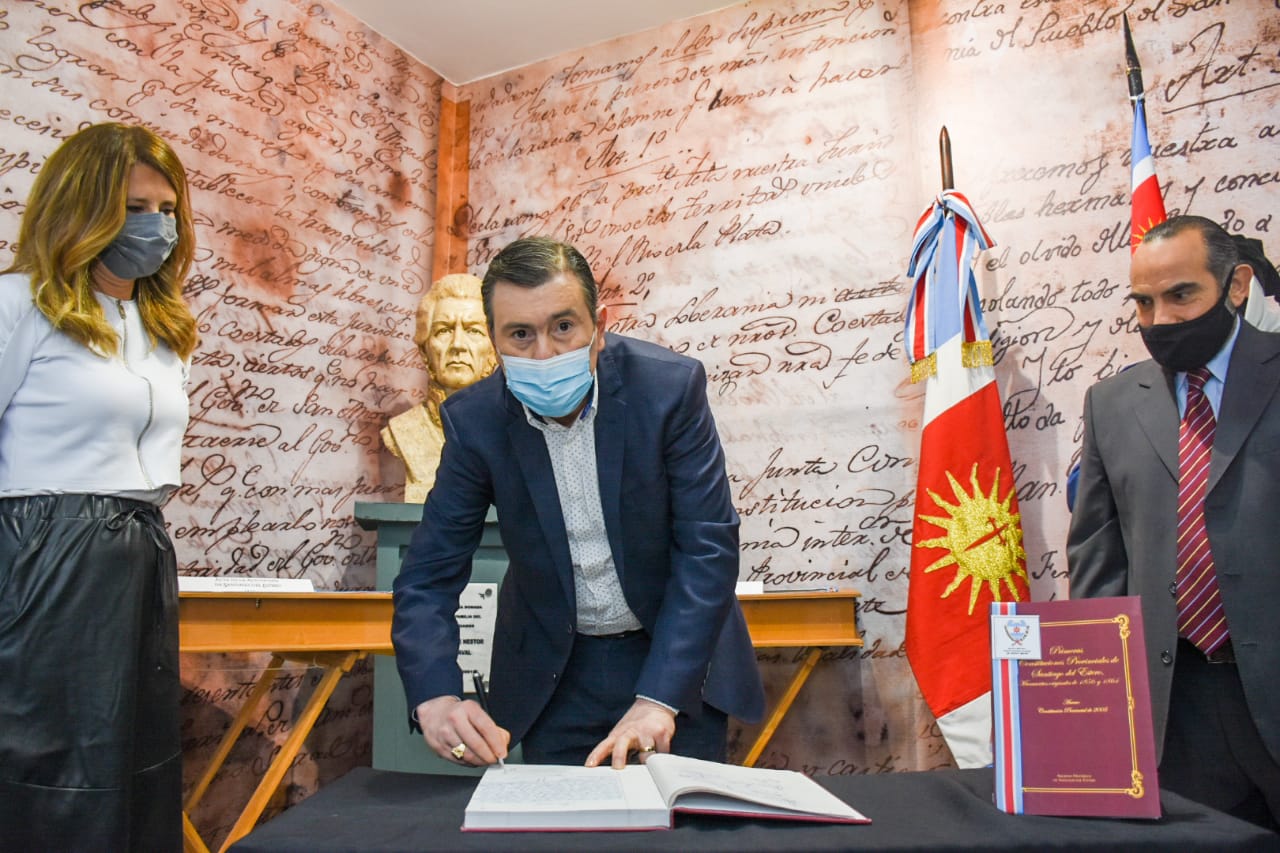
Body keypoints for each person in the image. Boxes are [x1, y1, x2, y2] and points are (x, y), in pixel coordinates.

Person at [392, 236, 764, 769]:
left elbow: (708, 549)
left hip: (675, 659)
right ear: (495, 341)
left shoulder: (668, 391)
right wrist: (435, 696)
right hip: (553, 675)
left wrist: (659, 699)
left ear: (600, 325)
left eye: (563, 326)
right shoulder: (475, 421)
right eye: (520, 334)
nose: (544, 354)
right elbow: (428, 575)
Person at [0, 123, 198, 849]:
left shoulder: (163, 325)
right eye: (135, 208)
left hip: (139, 545)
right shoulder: (19, 303)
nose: (156, 227)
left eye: (167, 209)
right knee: (52, 763)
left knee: (138, 758)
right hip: (43, 549)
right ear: (81, 209)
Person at [1067, 215, 1280, 827]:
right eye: (1143, 302)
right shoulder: (1111, 404)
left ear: (1236, 285)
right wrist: (1099, 706)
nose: (1159, 320)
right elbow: (1099, 564)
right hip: (1174, 711)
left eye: (1181, 294)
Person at [381, 273, 497, 502]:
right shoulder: (403, 431)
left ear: (494, 349)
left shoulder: (512, 432)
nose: (458, 345)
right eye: (444, 330)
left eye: (473, 331)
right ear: (424, 350)